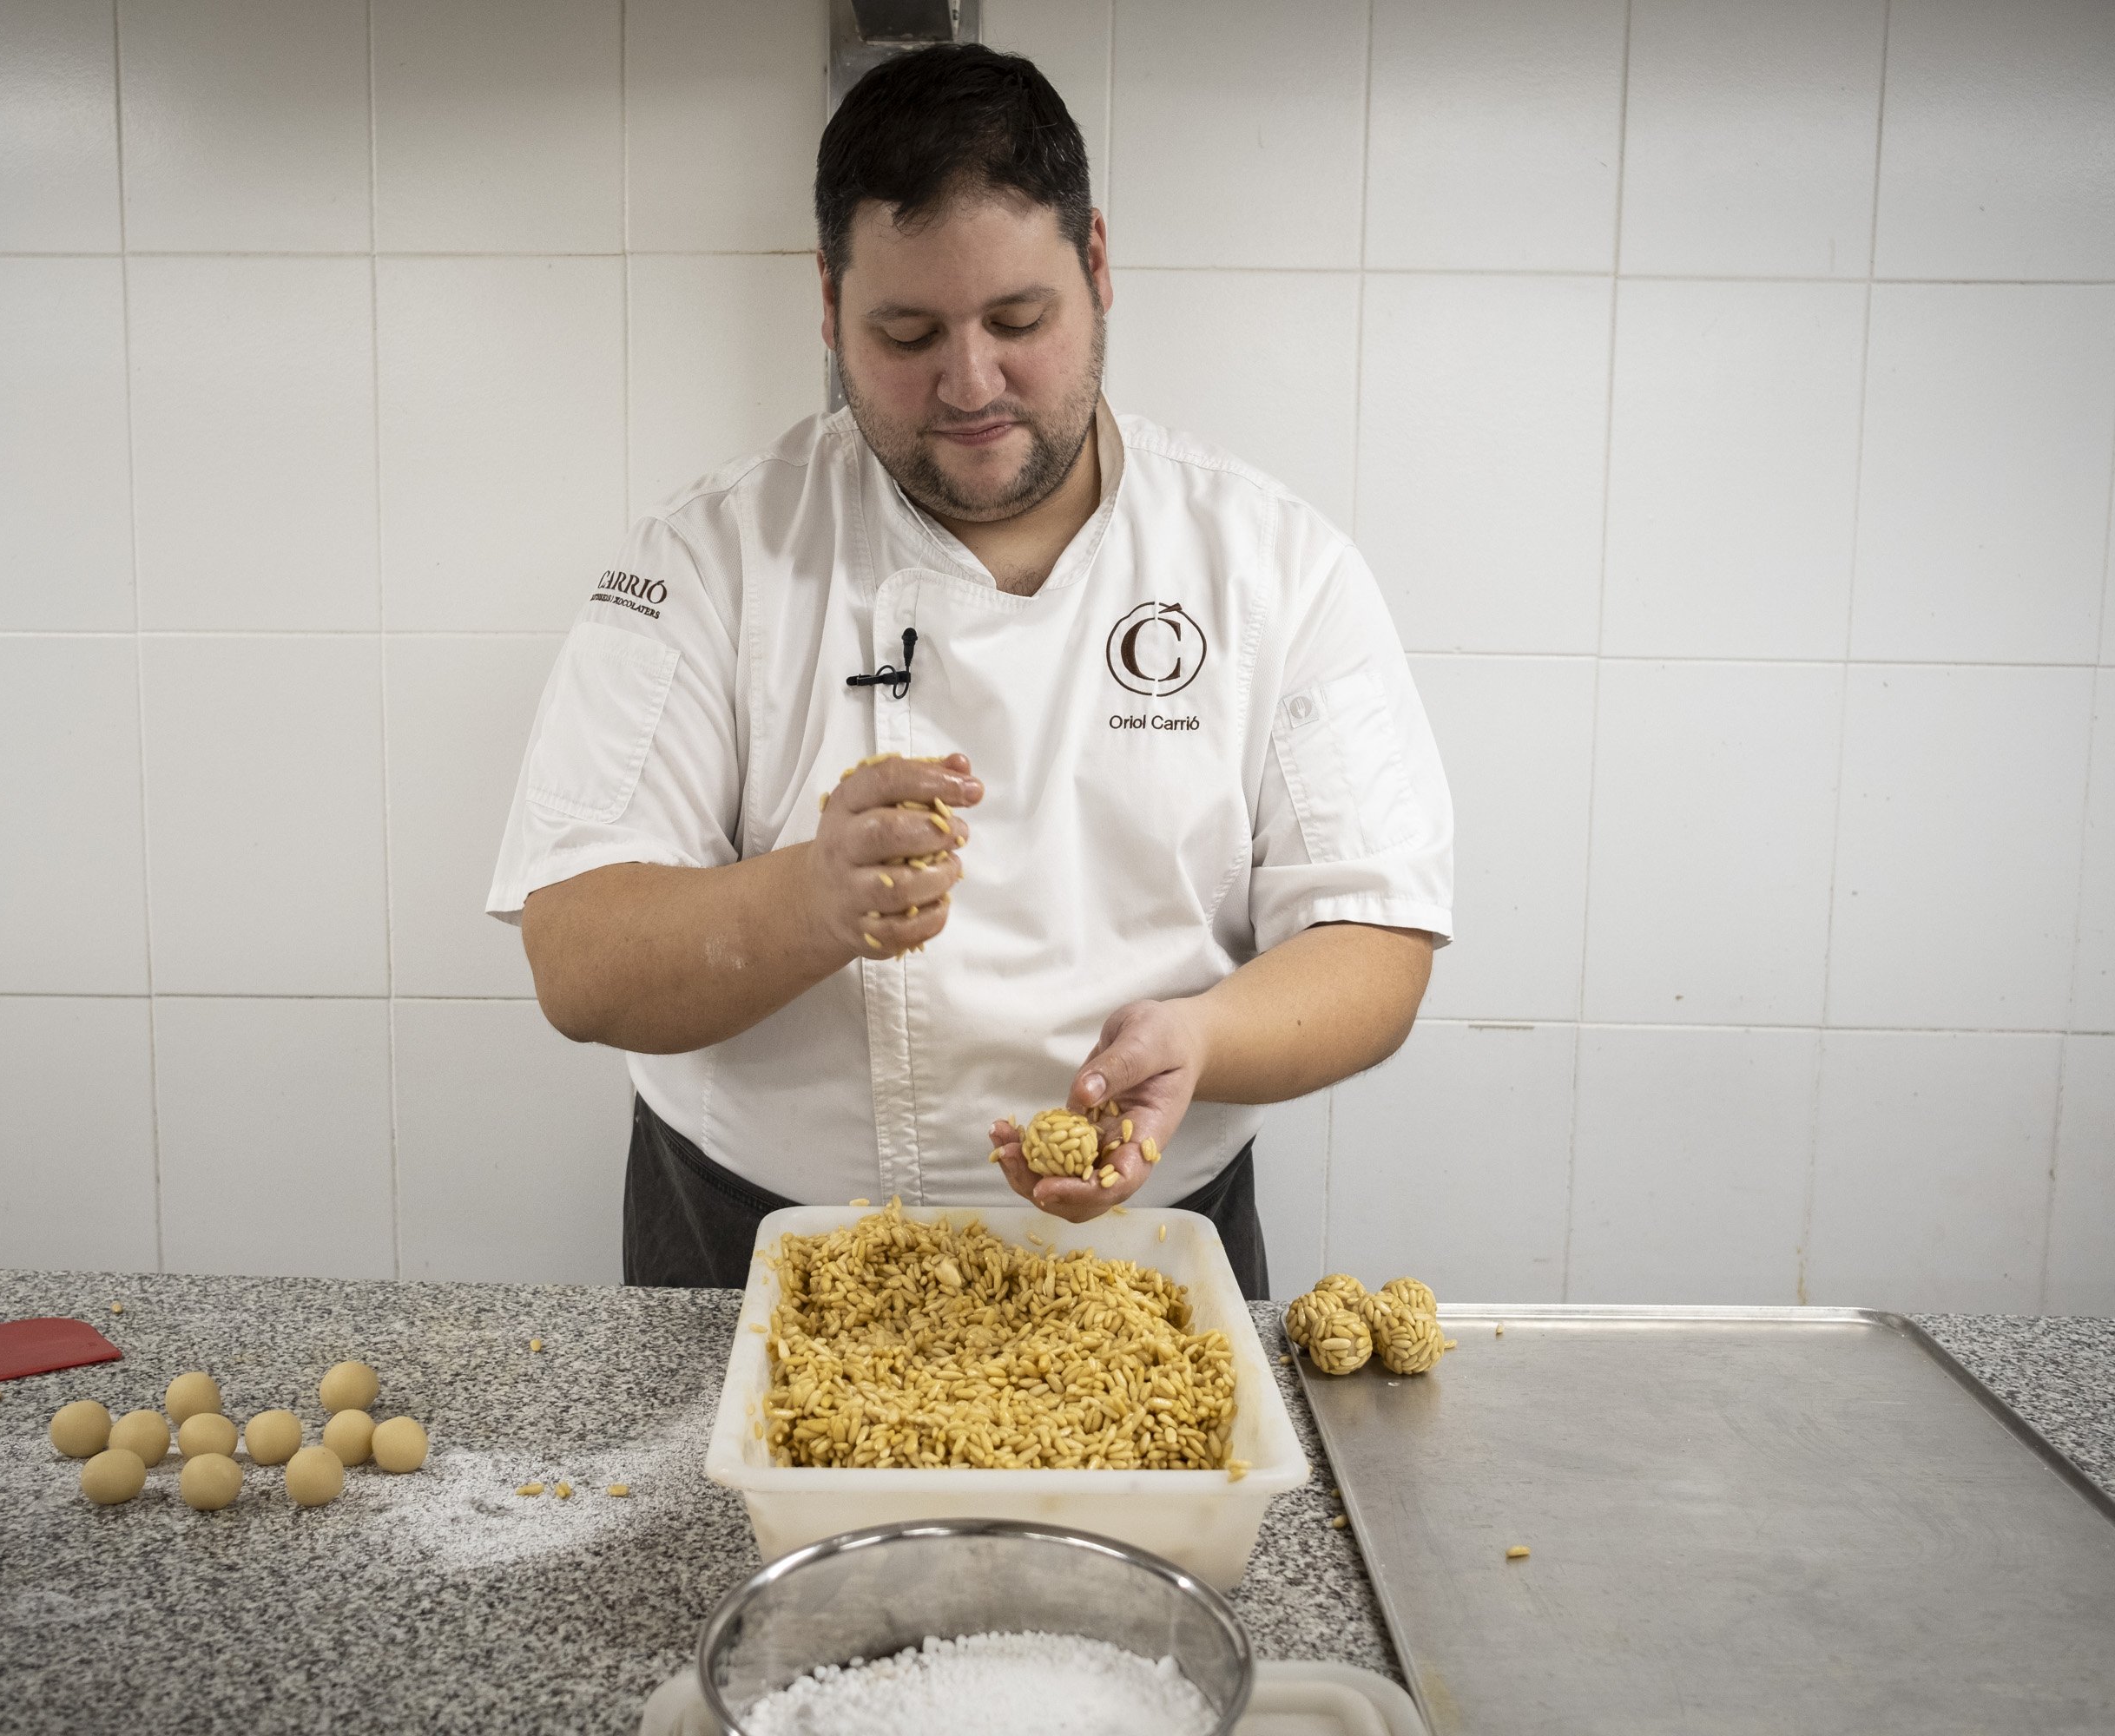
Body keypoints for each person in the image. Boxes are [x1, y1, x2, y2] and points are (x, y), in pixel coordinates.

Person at [489, 44, 1451, 1299]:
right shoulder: (709, 557)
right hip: (747, 1247)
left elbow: (1374, 940)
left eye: (1018, 320)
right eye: (905, 332)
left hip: (1146, 1248)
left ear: (1097, 266)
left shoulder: (1270, 563)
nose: (971, 384)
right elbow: (576, 958)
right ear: (827, 303)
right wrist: (813, 898)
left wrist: (1202, 1037)